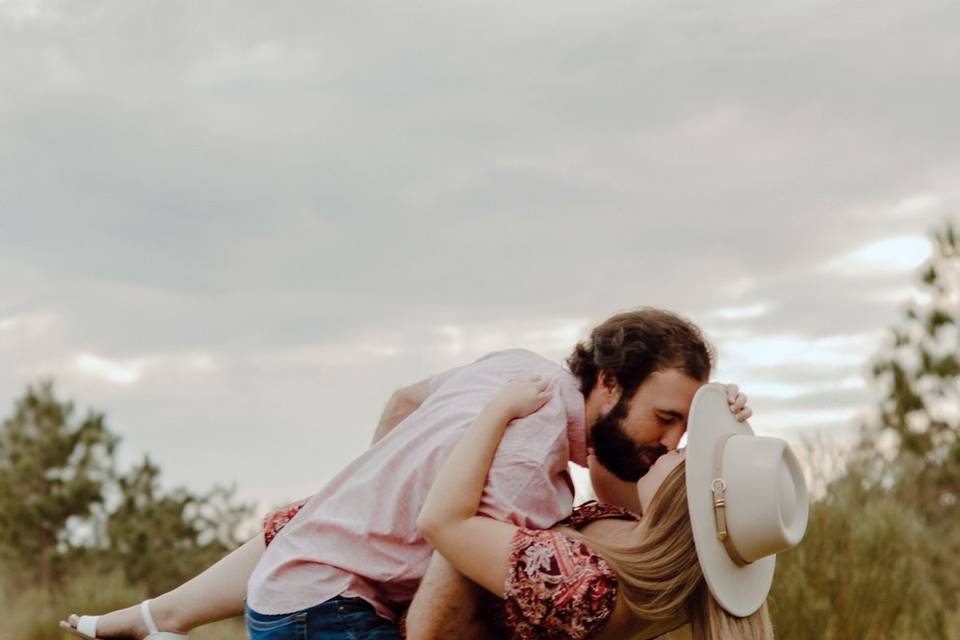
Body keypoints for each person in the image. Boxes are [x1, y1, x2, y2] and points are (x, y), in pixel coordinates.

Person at [61, 308, 753, 639]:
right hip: (328, 604)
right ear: (609, 383)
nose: (669, 443)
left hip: (305, 568)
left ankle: (154, 620)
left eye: (684, 434)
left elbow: (401, 402)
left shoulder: (521, 370)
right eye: (667, 419)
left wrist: (371, 506)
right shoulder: (523, 468)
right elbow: (436, 616)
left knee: (315, 514)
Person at [414, 376, 808, 639]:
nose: (672, 447)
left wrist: (497, 411)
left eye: (689, 453)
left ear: (681, 495)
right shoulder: (651, 557)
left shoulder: (577, 583)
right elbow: (609, 464)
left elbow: (444, 522)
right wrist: (715, 406)